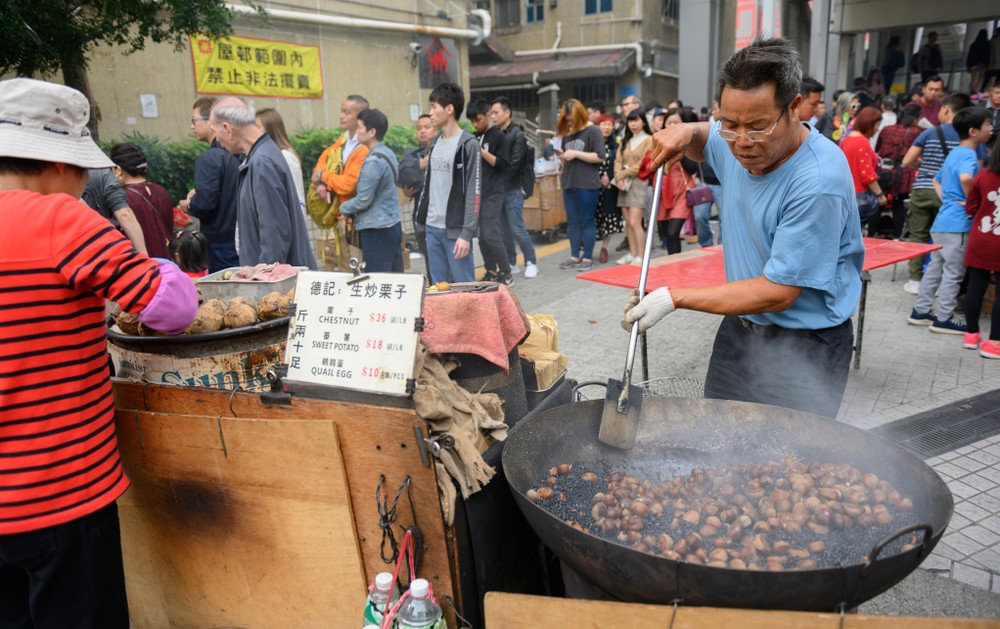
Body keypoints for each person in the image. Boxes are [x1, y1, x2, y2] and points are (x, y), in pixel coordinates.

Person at [0, 77, 197, 629]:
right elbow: (173, 310)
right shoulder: (62, 220)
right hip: (61, 493)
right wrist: (160, 266)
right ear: (58, 164)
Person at [626, 37, 864, 420]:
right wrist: (688, 131)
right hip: (741, 329)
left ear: (794, 107)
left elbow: (778, 292)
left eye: (757, 126)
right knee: (717, 433)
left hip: (805, 343)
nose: (741, 143)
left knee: (789, 451)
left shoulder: (818, 181)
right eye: (730, 124)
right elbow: (707, 140)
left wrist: (673, 298)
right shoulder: (736, 139)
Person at [908, 107, 993, 334]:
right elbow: (966, 178)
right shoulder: (969, 155)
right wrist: (972, 202)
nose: (991, 128)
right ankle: (944, 318)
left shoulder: (955, 153)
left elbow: (936, 180)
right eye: (987, 124)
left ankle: (921, 311)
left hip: (943, 221)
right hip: (959, 224)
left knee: (934, 269)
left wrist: (948, 199)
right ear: (974, 131)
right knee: (953, 273)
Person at [209, 97, 317, 269]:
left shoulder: (262, 162)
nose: (216, 140)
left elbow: (274, 232)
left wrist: (265, 276)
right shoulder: (262, 154)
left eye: (214, 131)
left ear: (227, 128)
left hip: (276, 280)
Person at [901, 92, 975, 293]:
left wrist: (923, 165)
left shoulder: (929, 133)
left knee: (918, 235)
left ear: (946, 109)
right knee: (945, 238)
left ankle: (915, 279)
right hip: (952, 194)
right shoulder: (970, 137)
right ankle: (942, 281)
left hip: (923, 188)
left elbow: (907, 161)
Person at [415, 82, 481, 284]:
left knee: (464, 287)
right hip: (432, 227)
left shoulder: (468, 145)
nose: (430, 113)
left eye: (434, 107)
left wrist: (466, 233)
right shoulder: (435, 142)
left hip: (455, 230)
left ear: (450, 109)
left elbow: (474, 191)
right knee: (439, 288)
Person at [339, 109, 404, 274]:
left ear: (372, 132)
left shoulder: (373, 161)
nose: (356, 131)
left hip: (377, 230)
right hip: (392, 225)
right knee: (395, 279)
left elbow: (363, 200)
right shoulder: (388, 153)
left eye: (360, 127)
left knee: (377, 280)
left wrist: (344, 208)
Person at [179, 96, 239, 273]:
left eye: (194, 120)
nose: (192, 126)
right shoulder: (238, 153)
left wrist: (188, 205)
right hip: (241, 238)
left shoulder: (209, 158)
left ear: (211, 120)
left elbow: (205, 203)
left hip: (220, 243)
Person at [310, 95, 371, 267]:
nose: (341, 116)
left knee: (355, 269)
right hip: (341, 217)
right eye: (341, 111)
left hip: (355, 219)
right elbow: (322, 162)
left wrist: (323, 177)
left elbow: (347, 185)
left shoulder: (364, 148)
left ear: (360, 117)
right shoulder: (343, 140)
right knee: (345, 267)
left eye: (347, 112)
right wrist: (320, 183)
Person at [555, 98, 606, 272]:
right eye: (567, 120)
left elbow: (600, 156)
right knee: (572, 222)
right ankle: (574, 256)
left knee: (586, 221)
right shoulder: (568, 133)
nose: (569, 123)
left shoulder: (593, 130)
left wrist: (576, 153)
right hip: (569, 182)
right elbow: (568, 158)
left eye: (571, 120)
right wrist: (562, 158)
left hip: (587, 184)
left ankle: (588, 258)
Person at [490, 97, 539, 278]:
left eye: (496, 112)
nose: (493, 116)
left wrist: (495, 178)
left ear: (507, 112)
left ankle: (531, 261)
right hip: (498, 190)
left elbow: (514, 165)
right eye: (491, 113)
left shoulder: (517, 135)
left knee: (517, 228)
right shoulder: (494, 134)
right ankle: (511, 262)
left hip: (513, 188)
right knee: (504, 230)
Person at [962, 135, 1000, 358]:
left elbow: (971, 207)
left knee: (975, 288)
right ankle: (994, 342)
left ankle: (971, 335)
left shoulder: (984, 175)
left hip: (981, 239)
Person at [466, 98, 512, 284]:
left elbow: (502, 164)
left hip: (493, 191)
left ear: (487, 116)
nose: (475, 124)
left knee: (490, 233)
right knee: (482, 237)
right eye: (472, 121)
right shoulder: (472, 136)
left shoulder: (499, 137)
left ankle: (506, 272)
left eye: (478, 120)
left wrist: (481, 151)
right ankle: (491, 270)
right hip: (477, 193)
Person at [109, 142, 174, 259]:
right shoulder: (161, 191)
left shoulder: (122, 201)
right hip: (168, 262)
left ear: (118, 169)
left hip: (144, 263)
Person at [875, 102, 923, 239]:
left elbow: (878, 148)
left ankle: (871, 235)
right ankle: (897, 237)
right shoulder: (916, 132)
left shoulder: (887, 129)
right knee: (899, 204)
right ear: (916, 119)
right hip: (902, 172)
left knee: (879, 203)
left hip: (884, 170)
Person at [840, 106, 888, 233]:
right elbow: (867, 174)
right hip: (860, 196)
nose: (877, 129)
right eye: (877, 125)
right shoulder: (862, 142)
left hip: (845, 194)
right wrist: (880, 195)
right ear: (868, 124)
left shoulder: (846, 139)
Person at [614, 110, 653, 265]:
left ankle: (641, 256)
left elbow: (644, 163)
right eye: (630, 121)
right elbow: (618, 160)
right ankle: (632, 253)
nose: (633, 124)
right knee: (628, 222)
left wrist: (622, 174)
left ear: (643, 121)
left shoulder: (649, 139)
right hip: (623, 184)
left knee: (635, 221)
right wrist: (618, 176)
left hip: (639, 182)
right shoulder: (626, 140)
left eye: (636, 120)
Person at [81, 168, 148, 254]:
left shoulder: (65, 181)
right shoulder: (103, 173)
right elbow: (124, 213)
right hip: (109, 248)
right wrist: (143, 255)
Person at [400, 113, 436, 275]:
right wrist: (418, 166)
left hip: (441, 215)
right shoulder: (412, 155)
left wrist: (415, 171)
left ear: (436, 129)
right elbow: (405, 178)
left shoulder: (443, 150)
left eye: (427, 127)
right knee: (428, 255)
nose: (422, 131)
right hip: (420, 215)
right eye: (419, 128)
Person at [256, 108, 306, 215]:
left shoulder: (286, 156)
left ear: (270, 129)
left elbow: (297, 196)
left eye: (258, 127)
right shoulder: (266, 156)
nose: (254, 131)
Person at [595, 113, 622, 264]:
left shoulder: (616, 146)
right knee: (593, 217)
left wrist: (609, 177)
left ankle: (604, 248)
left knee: (609, 217)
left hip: (610, 187)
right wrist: (599, 177)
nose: (606, 127)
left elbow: (618, 164)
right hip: (593, 185)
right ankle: (588, 249)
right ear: (598, 126)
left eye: (609, 124)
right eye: (603, 124)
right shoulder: (592, 143)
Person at [967, 29, 991, 93]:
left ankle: (971, 90)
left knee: (973, 79)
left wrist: (968, 65)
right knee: (980, 78)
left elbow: (970, 55)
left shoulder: (973, 45)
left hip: (973, 63)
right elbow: (988, 54)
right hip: (982, 63)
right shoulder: (987, 44)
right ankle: (977, 90)